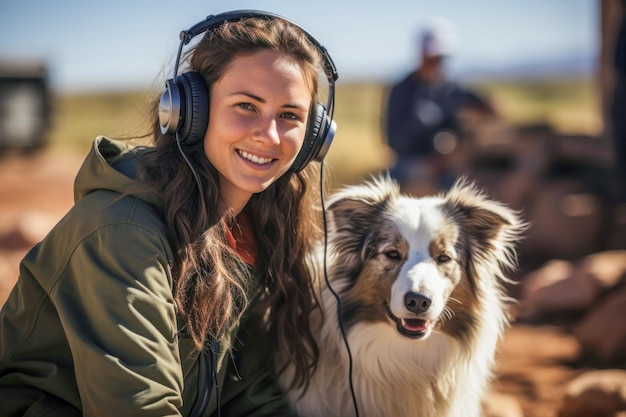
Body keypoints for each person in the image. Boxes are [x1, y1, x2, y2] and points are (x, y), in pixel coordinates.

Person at [0, 10, 338, 416]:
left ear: (314, 136)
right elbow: (140, 407)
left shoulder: (252, 232)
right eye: (246, 105)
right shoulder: (121, 232)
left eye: (290, 115)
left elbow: (247, 395)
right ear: (190, 111)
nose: (268, 135)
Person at [384, 19, 496, 196]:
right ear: (421, 55)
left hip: (448, 163)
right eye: (431, 58)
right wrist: (430, 155)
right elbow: (392, 138)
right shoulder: (402, 91)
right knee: (452, 190)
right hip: (411, 162)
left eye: (440, 59)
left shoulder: (450, 89)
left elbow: (484, 104)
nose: (436, 64)